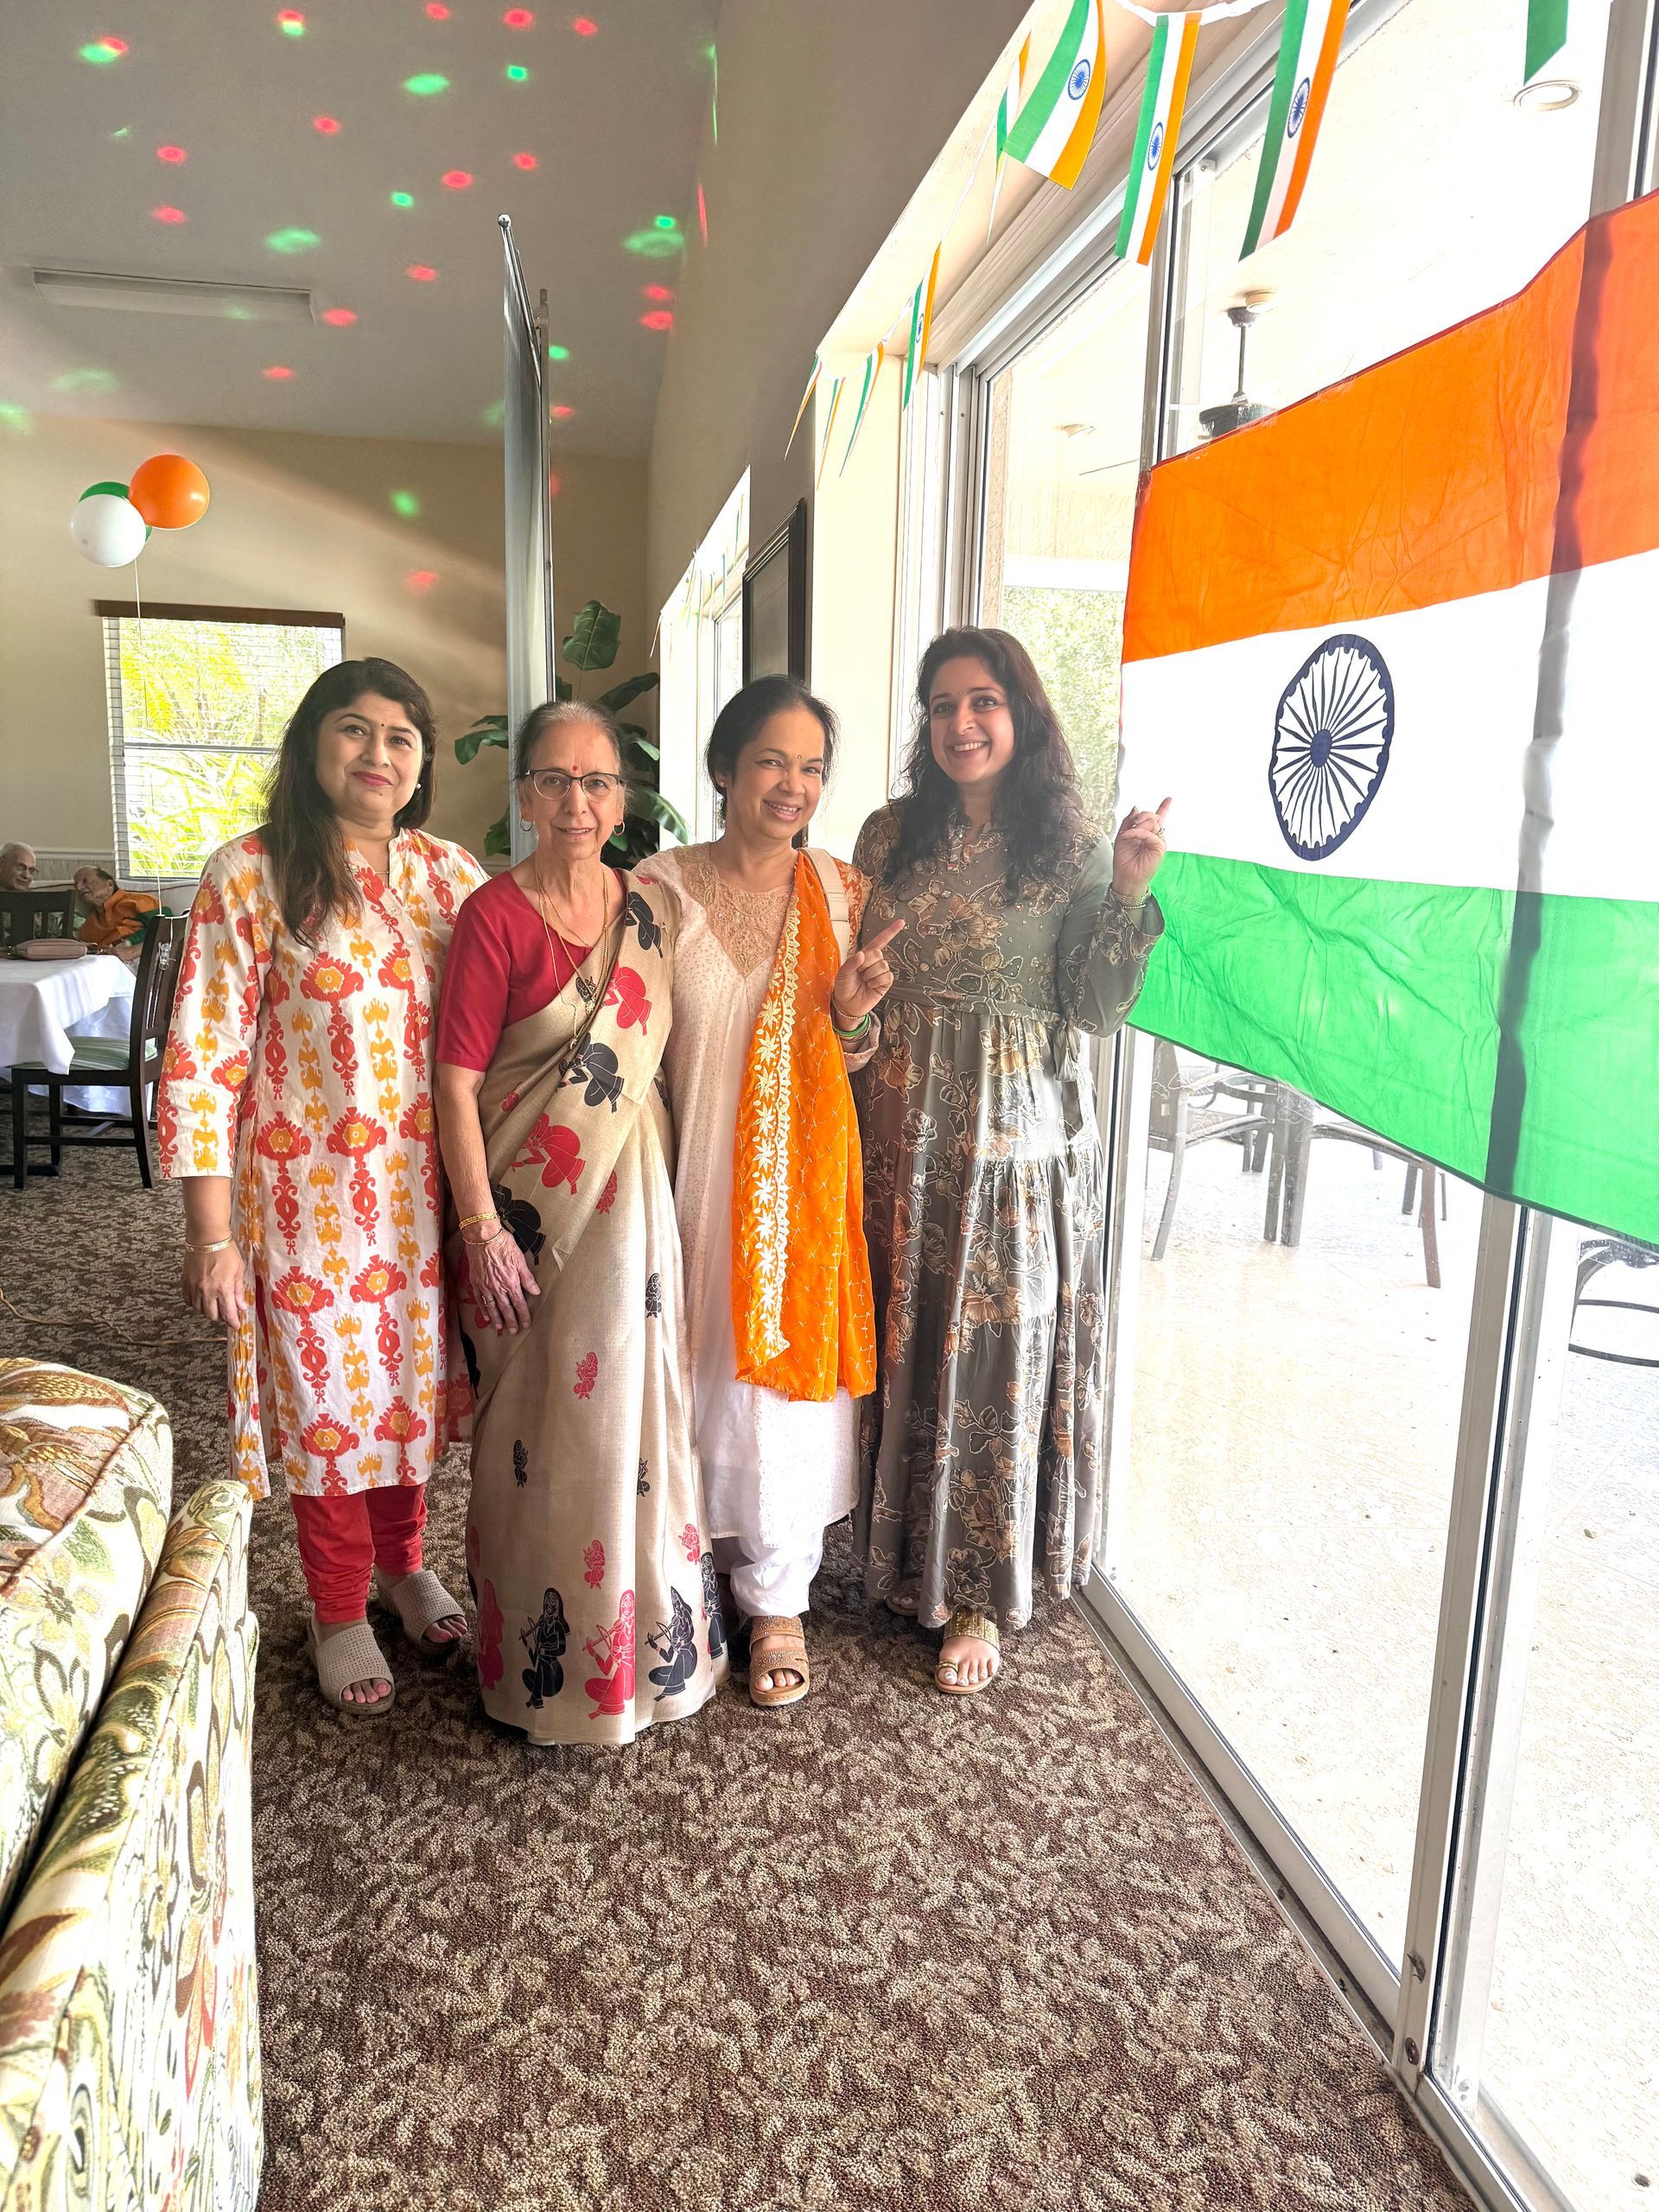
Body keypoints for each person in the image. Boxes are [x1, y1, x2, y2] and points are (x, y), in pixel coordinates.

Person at [159, 658, 486, 1715]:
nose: (377, 754)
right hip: (306, 1209)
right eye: (354, 729)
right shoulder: (251, 874)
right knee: (328, 1409)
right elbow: (203, 1057)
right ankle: (340, 1607)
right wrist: (211, 1234)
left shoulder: (447, 874)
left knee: (409, 1396)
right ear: (311, 745)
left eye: (400, 736)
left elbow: (513, 1008)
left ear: (422, 763)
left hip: (423, 1205)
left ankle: (405, 1565)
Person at [851, 626, 1169, 1696]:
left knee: (991, 1356)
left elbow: (1094, 1007)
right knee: (904, 1338)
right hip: (897, 1135)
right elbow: (853, 977)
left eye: (983, 701)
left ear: (1022, 714)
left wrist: (1127, 892)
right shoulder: (888, 833)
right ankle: (891, 1552)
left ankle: (978, 1589)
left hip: (1013, 1151)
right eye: (943, 705)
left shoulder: (1074, 848)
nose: (962, 723)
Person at [434, 701, 724, 1746]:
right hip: (530, 1211)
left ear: (621, 797)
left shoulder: (651, 910)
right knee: (540, 1422)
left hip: (636, 1206)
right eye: (554, 780)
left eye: (596, 781)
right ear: (524, 795)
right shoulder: (493, 916)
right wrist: (482, 1227)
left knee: (639, 1410)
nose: (576, 802)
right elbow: (455, 1083)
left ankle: (647, 1653)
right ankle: (540, 1673)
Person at [639, 677, 899, 1708]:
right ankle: (688, 1567)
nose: (793, 785)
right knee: (694, 1369)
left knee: (782, 1396)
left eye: (812, 768)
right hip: (685, 1175)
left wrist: (850, 1014)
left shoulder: (840, 893)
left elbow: (858, 1054)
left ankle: (779, 1596)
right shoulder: (658, 887)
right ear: (723, 769)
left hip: (800, 1189)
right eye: (772, 762)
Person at [74, 865, 159, 951]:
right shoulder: (88, 926)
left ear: (110, 884)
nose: (79, 888)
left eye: (86, 881)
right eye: (76, 885)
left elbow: (165, 929)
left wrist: (132, 946)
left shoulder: (141, 901)